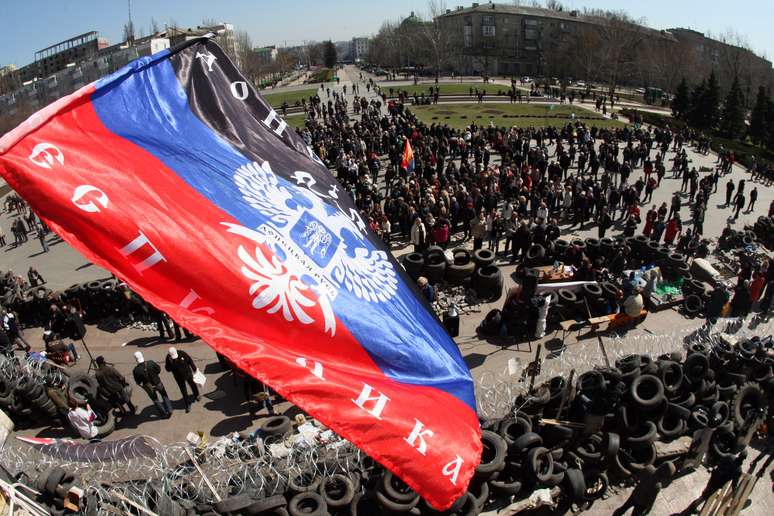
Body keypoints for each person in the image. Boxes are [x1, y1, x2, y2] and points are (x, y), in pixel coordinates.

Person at [677, 450, 746, 515]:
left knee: (706, 492)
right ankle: (692, 507)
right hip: (718, 483)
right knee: (705, 496)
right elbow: (734, 484)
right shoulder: (738, 470)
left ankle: (694, 505)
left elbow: (720, 460)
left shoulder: (730, 456)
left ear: (739, 454)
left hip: (714, 477)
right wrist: (735, 492)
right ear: (744, 459)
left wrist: (715, 467)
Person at [132, 351, 172, 418]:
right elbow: (158, 370)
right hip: (157, 382)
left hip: (148, 387)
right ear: (142, 356)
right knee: (164, 395)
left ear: (136, 359)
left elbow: (138, 381)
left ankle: (164, 413)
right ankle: (169, 409)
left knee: (155, 400)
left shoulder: (136, 370)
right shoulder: (151, 363)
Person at [164, 347, 200, 413]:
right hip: (178, 377)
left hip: (188, 374)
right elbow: (167, 369)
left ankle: (196, 395)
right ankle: (187, 404)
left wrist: (194, 369)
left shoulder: (182, 353)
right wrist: (171, 364)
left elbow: (190, 360)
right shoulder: (168, 358)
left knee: (193, 384)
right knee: (183, 390)